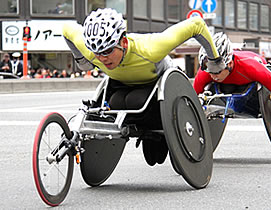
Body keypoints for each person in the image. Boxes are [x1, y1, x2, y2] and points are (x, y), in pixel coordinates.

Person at [63, 8, 225, 166]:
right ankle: (146, 133)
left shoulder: (151, 48)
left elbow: (196, 24)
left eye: (108, 51)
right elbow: (67, 29)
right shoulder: (91, 52)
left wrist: (215, 60)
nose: (102, 58)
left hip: (159, 89)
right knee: (116, 102)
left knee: (136, 101)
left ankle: (159, 135)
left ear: (123, 42)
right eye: (96, 52)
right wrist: (82, 60)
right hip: (123, 87)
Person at [194, 32, 271, 139]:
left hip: (251, 71)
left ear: (229, 63)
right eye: (209, 70)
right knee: (224, 86)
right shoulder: (205, 73)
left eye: (217, 71)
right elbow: (192, 97)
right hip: (229, 83)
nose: (213, 75)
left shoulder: (252, 67)